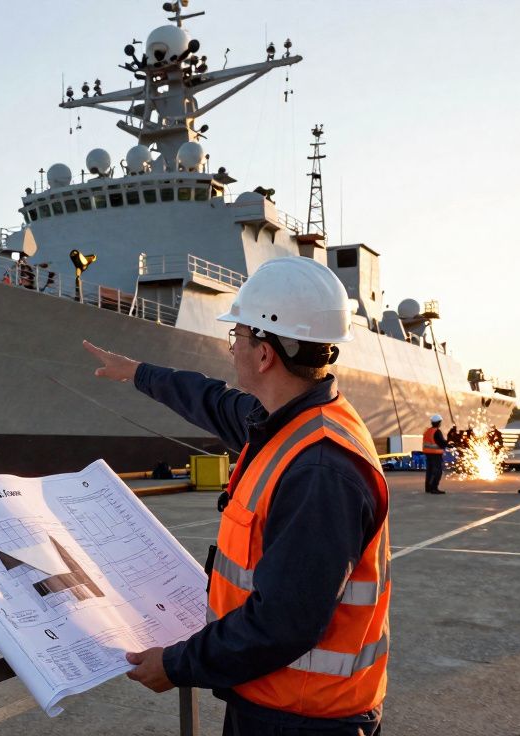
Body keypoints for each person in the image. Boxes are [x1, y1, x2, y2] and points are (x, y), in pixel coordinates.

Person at [84, 256, 388, 736]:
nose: (232, 350)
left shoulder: (320, 470)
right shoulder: (288, 420)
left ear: (265, 354)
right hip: (273, 698)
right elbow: (211, 399)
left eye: (238, 338)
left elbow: (282, 624)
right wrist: (138, 372)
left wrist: (178, 664)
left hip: (303, 721)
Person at [423, 414, 447, 494]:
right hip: (435, 454)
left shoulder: (427, 431)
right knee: (437, 471)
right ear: (439, 422)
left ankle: (428, 488)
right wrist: (449, 442)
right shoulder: (437, 432)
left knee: (429, 471)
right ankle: (434, 488)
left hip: (428, 454)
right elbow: (441, 443)